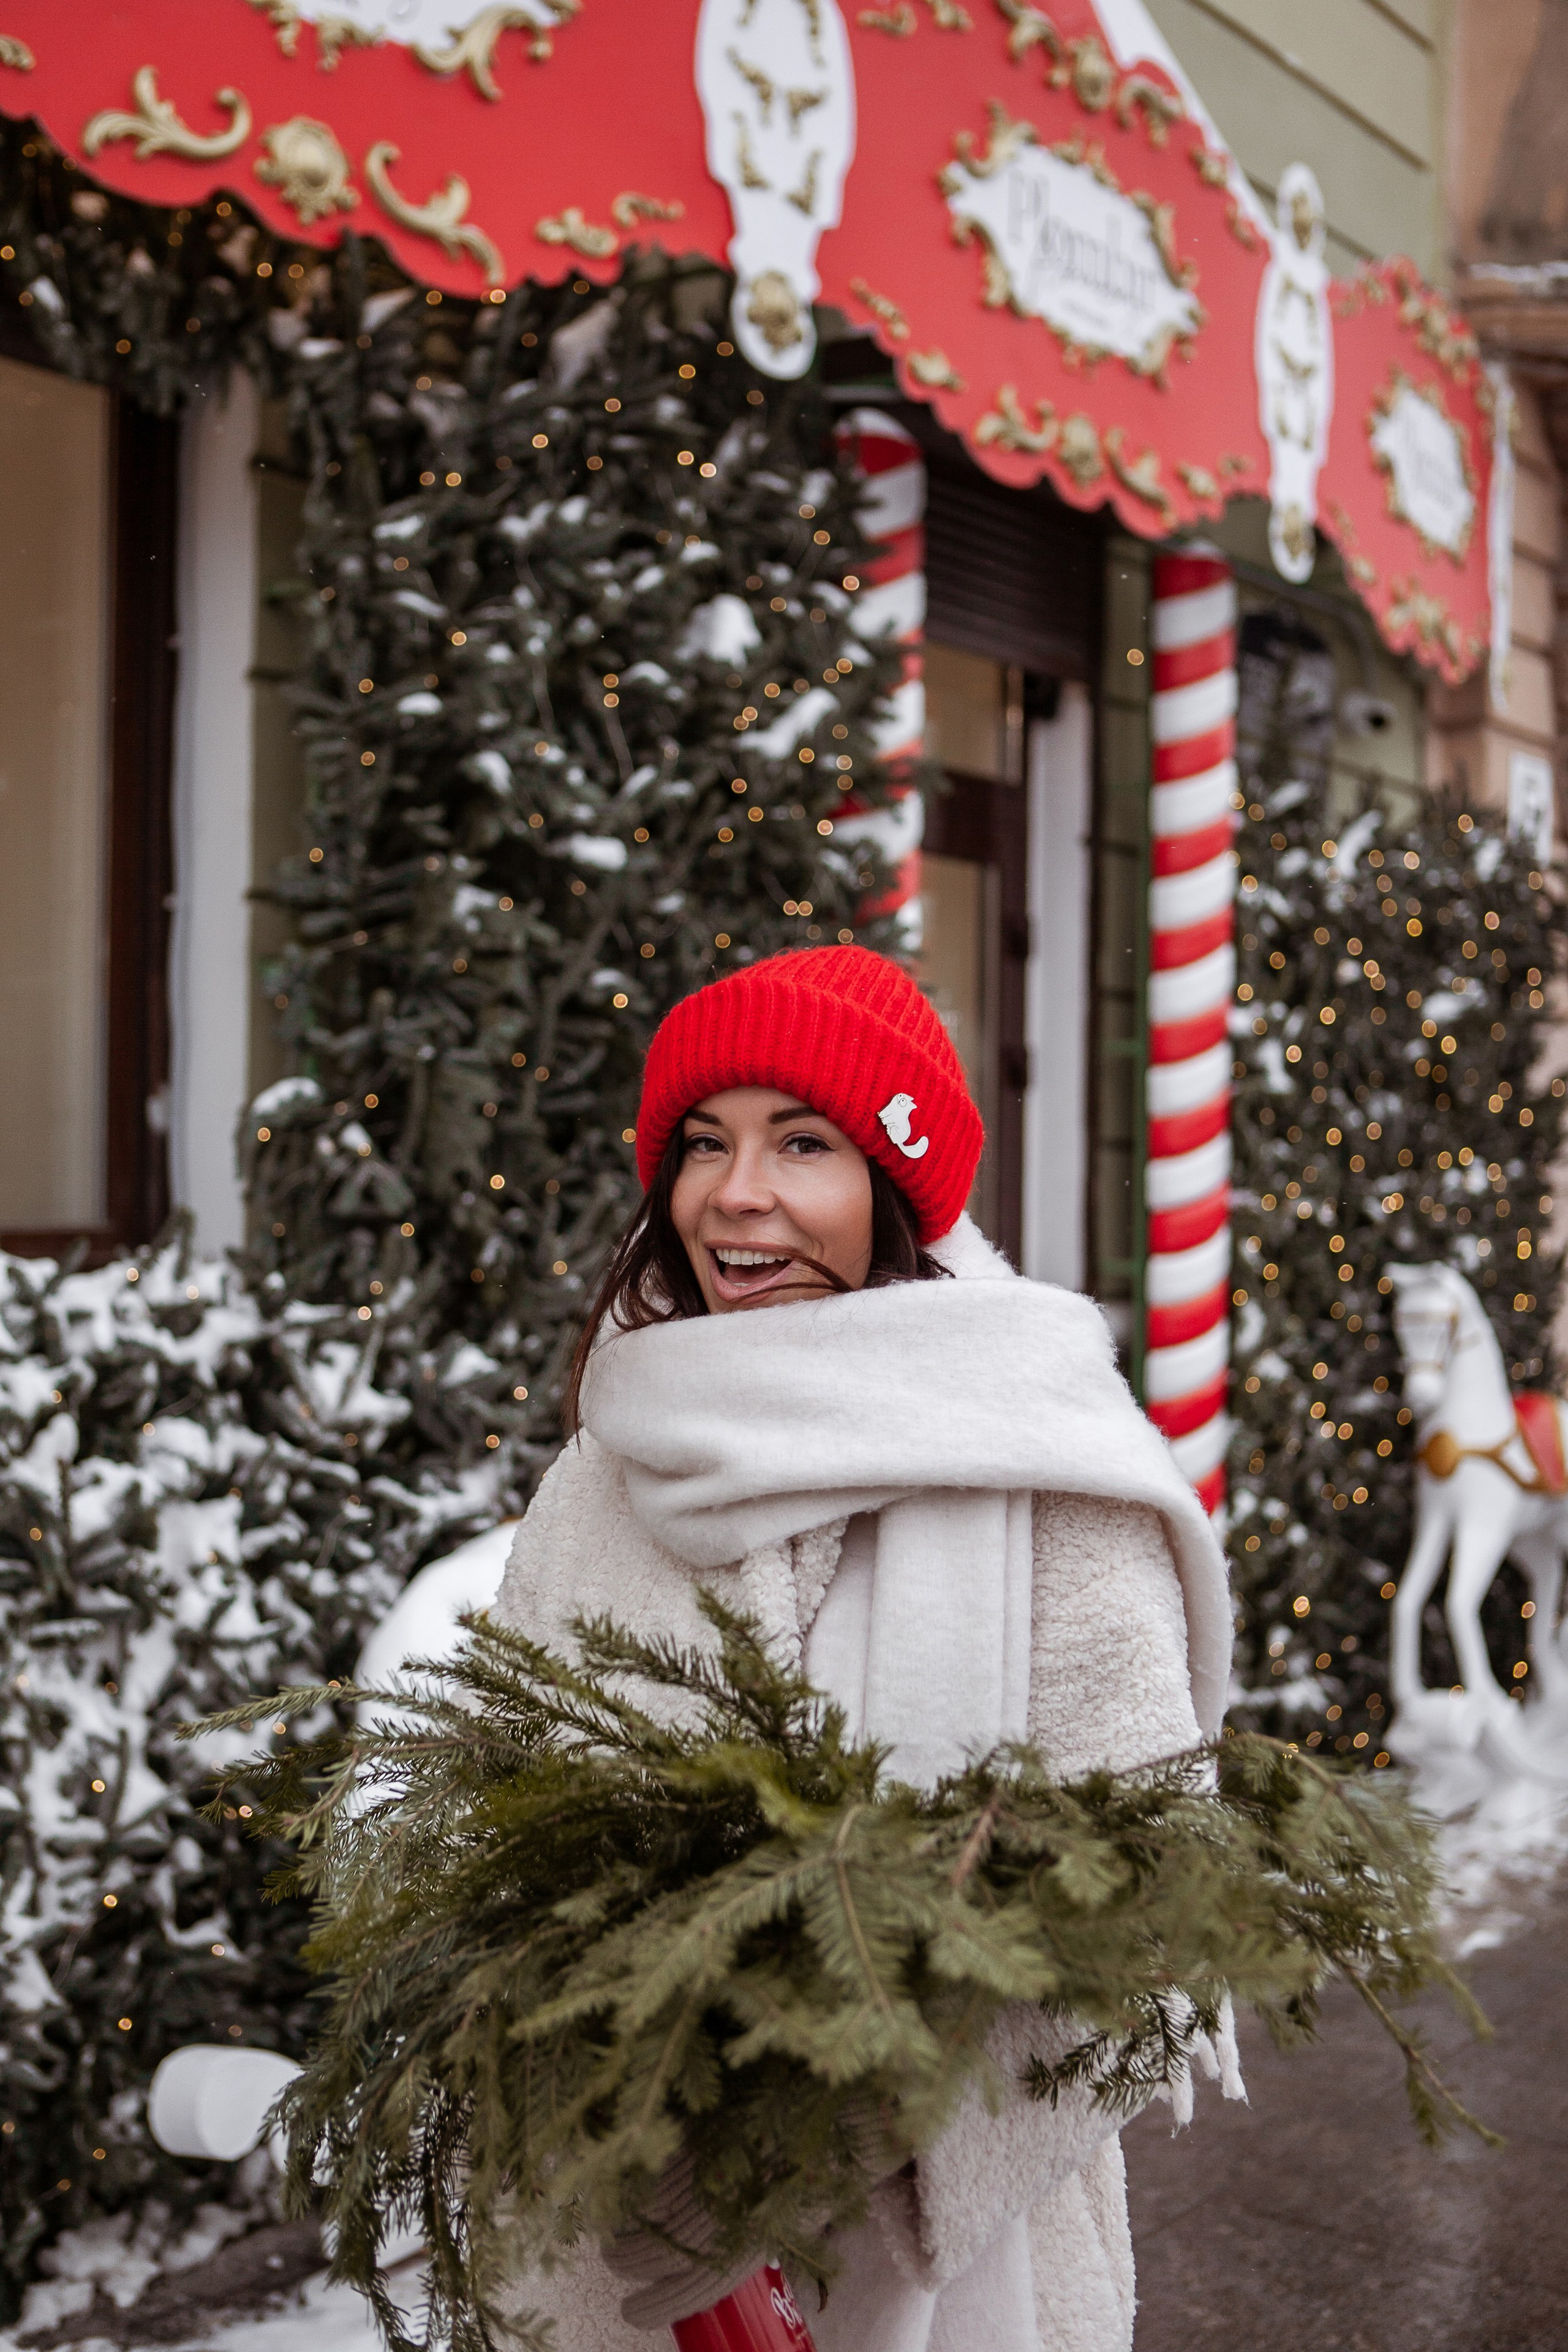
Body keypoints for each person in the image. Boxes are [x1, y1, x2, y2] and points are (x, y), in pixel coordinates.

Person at [496, 944, 1232, 2352]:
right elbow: (509, 1816)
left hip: (948, 2265)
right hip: (625, 2248)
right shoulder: (608, 1466)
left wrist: (801, 2121)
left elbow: (1136, 1905)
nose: (735, 1193)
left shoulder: (1044, 1473)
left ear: (893, 1186)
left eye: (802, 1143)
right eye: (702, 1144)